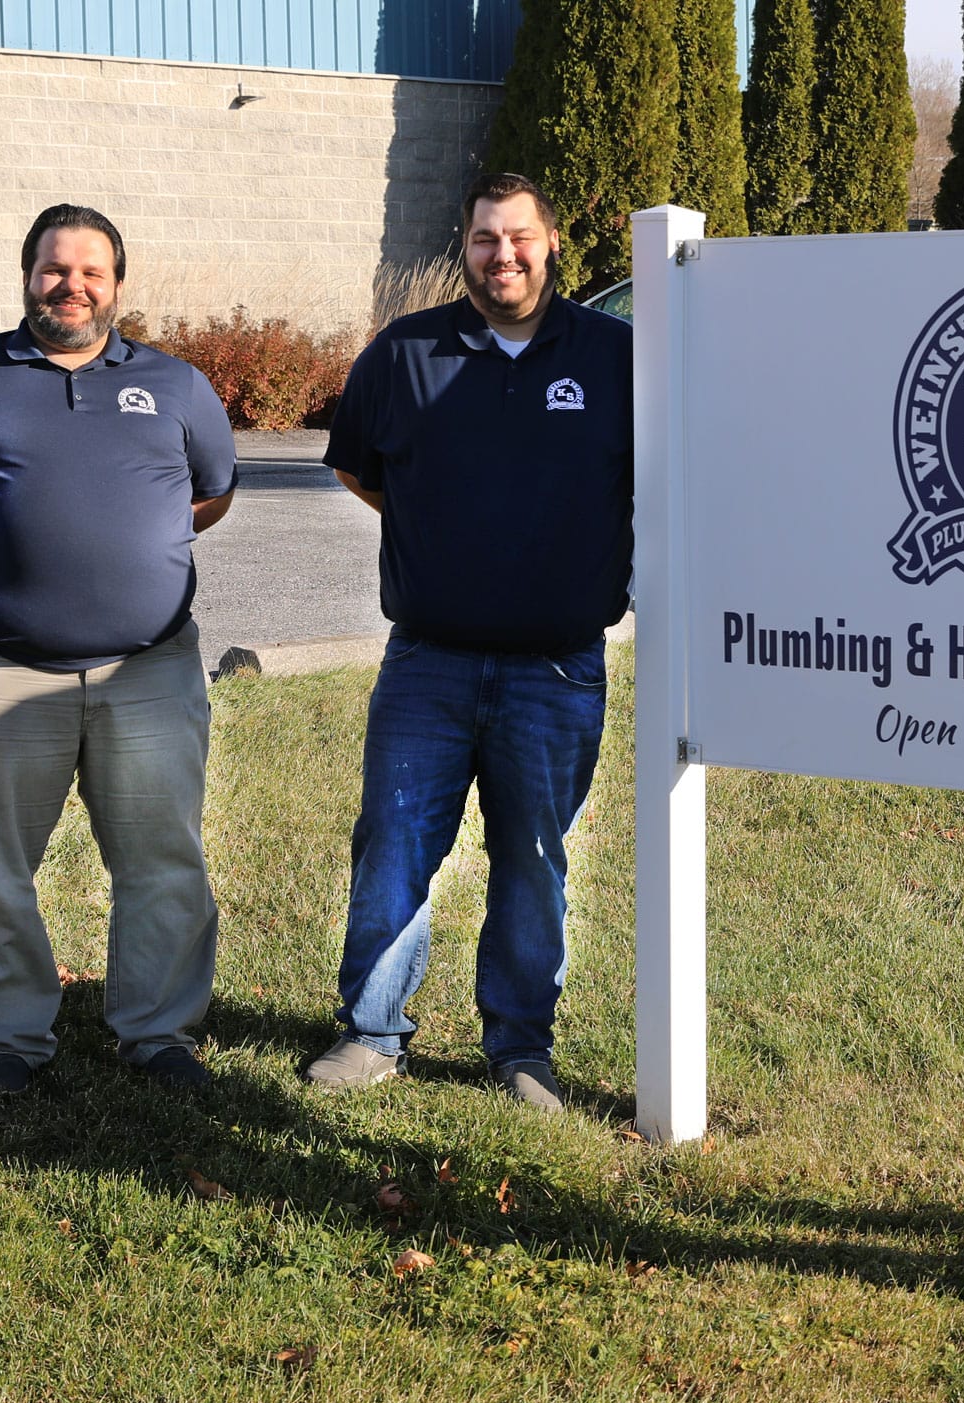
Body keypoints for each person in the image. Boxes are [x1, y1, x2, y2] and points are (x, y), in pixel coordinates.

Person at [0, 203, 238, 1095]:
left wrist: (120, 558)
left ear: (117, 283)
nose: (71, 286)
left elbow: (209, 497)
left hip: (147, 668)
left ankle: (159, 1034)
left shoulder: (177, 384)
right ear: (27, 274)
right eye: (53, 269)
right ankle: (7, 1040)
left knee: (162, 857)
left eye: (91, 272)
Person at [306, 172, 632, 1110]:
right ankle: (371, 1033)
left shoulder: (615, 356)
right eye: (486, 240)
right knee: (395, 843)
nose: (504, 256)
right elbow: (362, 472)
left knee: (533, 856)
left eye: (520, 237)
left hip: (558, 666)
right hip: (428, 663)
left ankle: (521, 1049)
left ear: (553, 241)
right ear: (466, 249)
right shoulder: (404, 354)